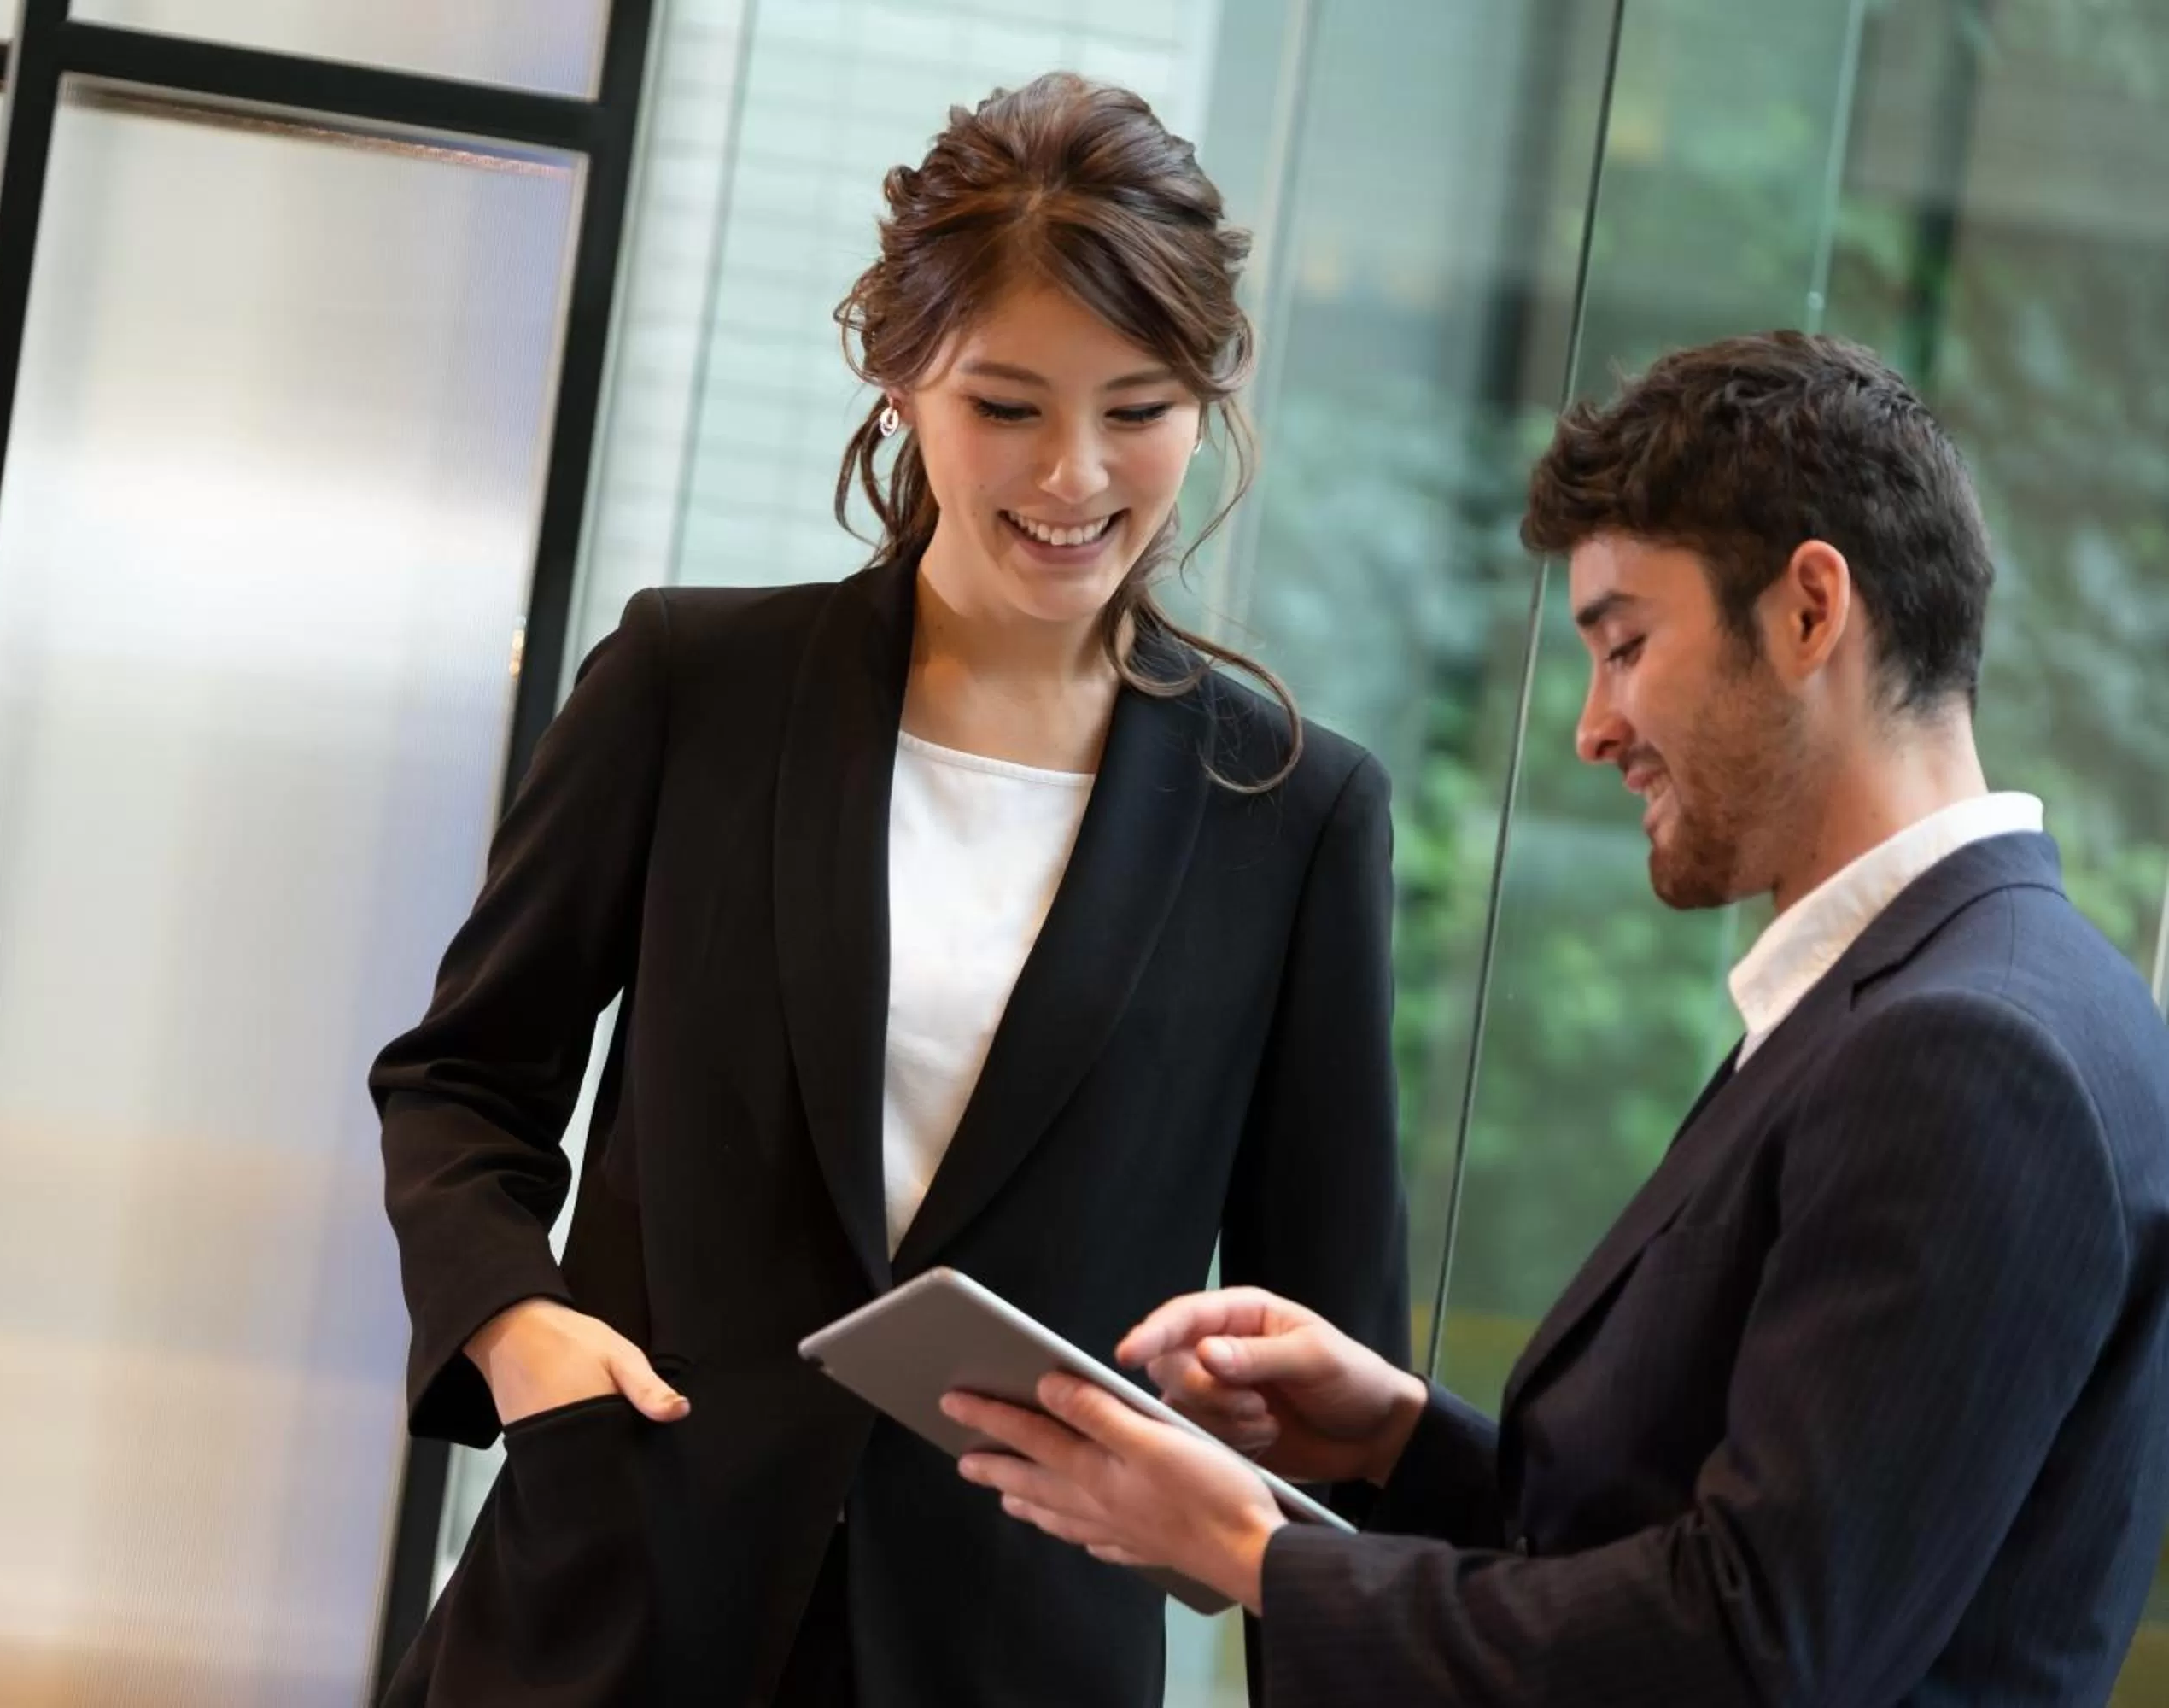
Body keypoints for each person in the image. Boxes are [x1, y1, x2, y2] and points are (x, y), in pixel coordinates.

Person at [370, 73, 1408, 1707]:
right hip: (616, 1608)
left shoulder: (1292, 807)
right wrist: (515, 1329)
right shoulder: (689, 685)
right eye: (1008, 405)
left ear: (1206, 405)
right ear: (900, 380)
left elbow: (1329, 1335)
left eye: (1137, 409)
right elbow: (459, 1083)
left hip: (1015, 1655)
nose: (1075, 477)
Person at [947, 330, 2169, 1705]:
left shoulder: (1971, 1052)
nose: (1594, 727)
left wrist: (1247, 1550)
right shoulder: (1963, 993)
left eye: (1628, 645)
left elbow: (1754, 1652)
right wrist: (1400, 1441)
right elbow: (1730, 1539)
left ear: (1811, 610)